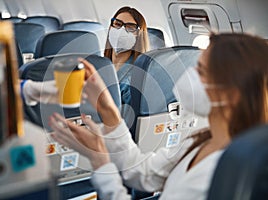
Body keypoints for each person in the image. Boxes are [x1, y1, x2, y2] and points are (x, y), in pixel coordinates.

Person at [49, 32, 268, 199]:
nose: (189, 76)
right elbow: (142, 172)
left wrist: (100, 161)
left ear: (230, 94)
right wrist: (108, 109)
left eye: (200, 71)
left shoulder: (227, 173)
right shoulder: (201, 140)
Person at [104, 6, 150, 127]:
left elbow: (123, 127)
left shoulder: (131, 80)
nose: (121, 31)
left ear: (139, 35)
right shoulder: (101, 64)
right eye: (117, 24)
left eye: (130, 28)